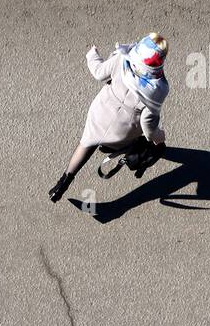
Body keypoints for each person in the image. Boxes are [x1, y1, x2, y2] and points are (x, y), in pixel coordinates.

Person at [49, 32, 170, 202]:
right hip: (122, 131)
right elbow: (148, 127)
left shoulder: (122, 60)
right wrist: (159, 138)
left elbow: (99, 72)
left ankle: (62, 184)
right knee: (140, 142)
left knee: (85, 145)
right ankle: (115, 148)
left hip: (99, 115)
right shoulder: (157, 90)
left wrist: (92, 55)